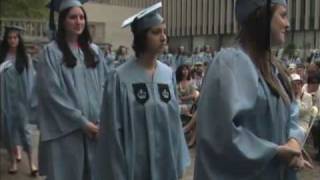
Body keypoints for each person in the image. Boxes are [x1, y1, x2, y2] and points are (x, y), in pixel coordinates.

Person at [194, 1, 311, 180]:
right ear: (261, 17)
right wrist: (276, 152)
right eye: (283, 15)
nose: (287, 24)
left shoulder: (274, 68)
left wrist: (293, 142)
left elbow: (291, 113)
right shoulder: (230, 63)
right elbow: (221, 134)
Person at [96, 2, 190, 180]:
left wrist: (177, 161)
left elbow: (174, 125)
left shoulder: (167, 74)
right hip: (134, 169)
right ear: (141, 37)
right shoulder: (119, 78)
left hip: (165, 166)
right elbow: (112, 133)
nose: (163, 37)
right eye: (156, 32)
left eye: (164, 31)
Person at [36, 0, 109, 179]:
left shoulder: (94, 52)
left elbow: (106, 86)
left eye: (82, 17)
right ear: (62, 21)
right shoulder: (50, 53)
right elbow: (52, 95)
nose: (79, 22)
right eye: (73, 17)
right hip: (66, 133)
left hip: (95, 131)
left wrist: (103, 120)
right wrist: (82, 122)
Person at [0, 26, 38, 175]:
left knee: (25, 131)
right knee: (8, 130)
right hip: (5, 100)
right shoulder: (2, 58)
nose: (12, 40)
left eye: (15, 37)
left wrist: (30, 101)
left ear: (19, 39)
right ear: (6, 40)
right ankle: (13, 162)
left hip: (22, 101)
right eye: (9, 38)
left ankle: (32, 164)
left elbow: (31, 81)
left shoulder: (25, 58)